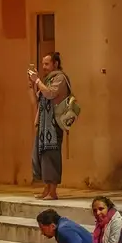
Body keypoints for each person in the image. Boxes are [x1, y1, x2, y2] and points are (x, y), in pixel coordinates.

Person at [27, 46, 75, 200]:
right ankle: (46, 189)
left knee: (51, 156)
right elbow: (36, 102)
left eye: (47, 64)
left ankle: (53, 191)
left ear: (55, 64)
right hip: (43, 125)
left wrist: (37, 80)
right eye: (43, 64)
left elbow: (50, 94)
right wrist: (31, 85)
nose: (44, 67)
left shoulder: (60, 78)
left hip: (53, 125)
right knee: (40, 156)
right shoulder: (47, 80)